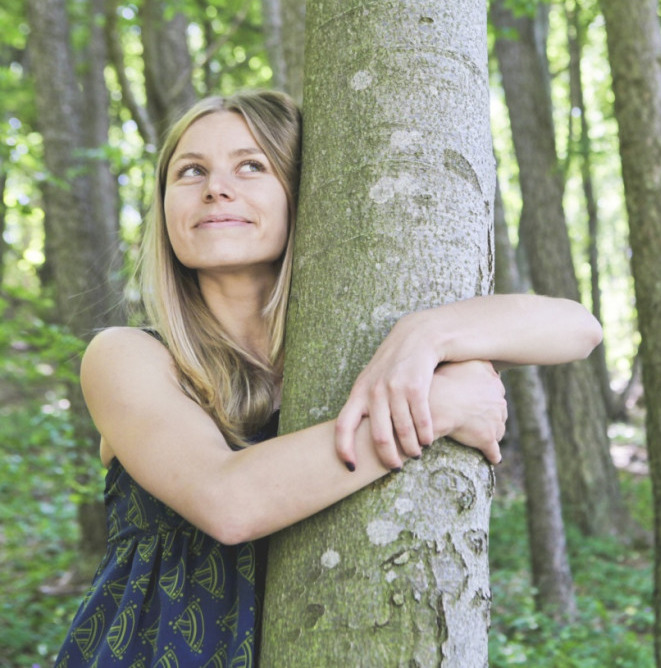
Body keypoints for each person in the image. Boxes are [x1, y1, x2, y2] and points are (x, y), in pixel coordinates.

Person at [54, 89, 602, 667]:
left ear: (303, 192)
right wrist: (436, 408)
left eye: (251, 165)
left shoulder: (351, 349)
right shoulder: (128, 356)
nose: (216, 187)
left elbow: (578, 328)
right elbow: (228, 502)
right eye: (191, 171)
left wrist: (427, 334)